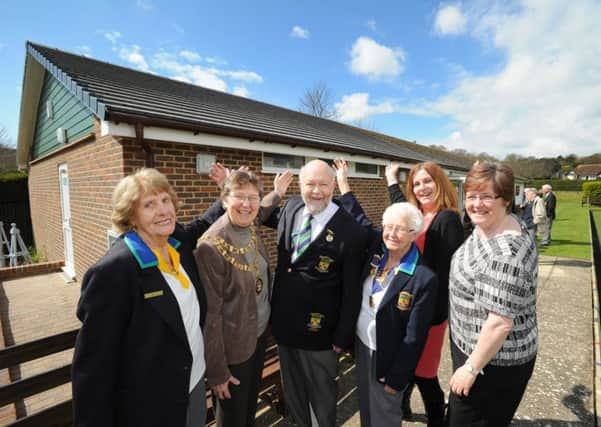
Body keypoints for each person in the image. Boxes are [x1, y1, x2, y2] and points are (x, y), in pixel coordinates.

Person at [72, 168, 223, 427]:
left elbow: (202, 223)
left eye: (165, 200)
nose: (163, 210)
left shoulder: (176, 243)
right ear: (131, 217)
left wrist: (225, 193)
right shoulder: (114, 271)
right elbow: (94, 367)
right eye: (149, 205)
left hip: (195, 381)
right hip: (151, 404)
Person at [262, 159, 367, 427]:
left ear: (334, 185)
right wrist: (276, 193)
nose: (317, 191)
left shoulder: (350, 230)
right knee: (295, 395)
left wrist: (343, 335)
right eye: (310, 184)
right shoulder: (293, 207)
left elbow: (352, 290)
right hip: (284, 326)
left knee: (321, 399)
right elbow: (258, 215)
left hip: (320, 332)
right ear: (300, 185)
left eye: (323, 184)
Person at [334, 159, 438, 427]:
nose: (391, 233)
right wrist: (343, 182)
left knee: (386, 416)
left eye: (401, 228)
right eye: (388, 226)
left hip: (390, 357)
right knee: (368, 410)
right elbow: (357, 216)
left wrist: (398, 376)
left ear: (414, 233)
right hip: (363, 346)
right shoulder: (377, 250)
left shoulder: (423, 278)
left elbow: (414, 337)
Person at [194, 169, 292, 427]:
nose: (247, 204)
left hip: (258, 338)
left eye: (253, 197)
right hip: (232, 351)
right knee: (232, 418)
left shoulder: (250, 224)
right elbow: (210, 316)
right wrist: (217, 372)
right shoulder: (210, 246)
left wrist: (278, 192)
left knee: (248, 410)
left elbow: (264, 208)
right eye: (239, 197)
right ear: (224, 199)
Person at [447, 161, 538, 426]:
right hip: (473, 345)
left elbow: (499, 323)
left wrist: (470, 369)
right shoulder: (491, 224)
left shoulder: (506, 256)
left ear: (506, 199)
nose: (475, 204)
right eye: (471, 196)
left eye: (486, 196)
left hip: (492, 363)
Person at [384, 162, 464, 426]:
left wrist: (426, 315)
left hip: (429, 313)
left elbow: (444, 276)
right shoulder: (416, 214)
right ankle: (405, 407)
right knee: (407, 364)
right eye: (416, 183)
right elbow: (401, 207)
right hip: (407, 307)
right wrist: (391, 180)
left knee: (425, 372)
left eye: (427, 181)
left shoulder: (447, 219)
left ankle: (436, 418)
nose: (422, 188)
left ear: (440, 182)